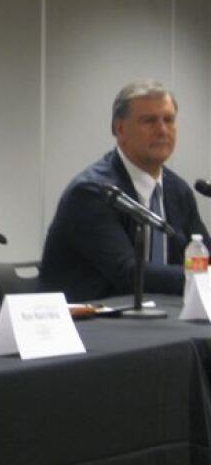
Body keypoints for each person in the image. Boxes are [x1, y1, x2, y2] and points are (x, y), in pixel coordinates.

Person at [41, 80, 210, 302]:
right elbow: (128, 273)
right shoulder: (92, 193)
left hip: (163, 313)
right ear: (120, 129)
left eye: (168, 120)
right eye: (149, 121)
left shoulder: (177, 191)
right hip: (93, 315)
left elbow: (203, 252)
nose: (162, 130)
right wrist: (198, 277)